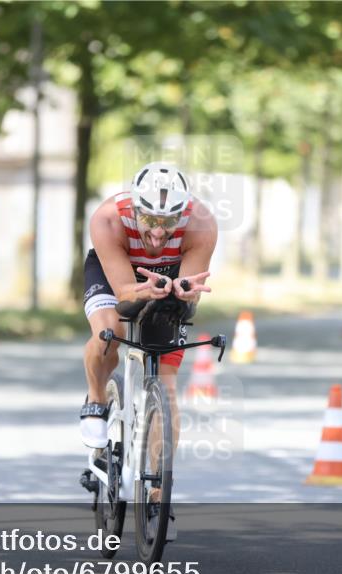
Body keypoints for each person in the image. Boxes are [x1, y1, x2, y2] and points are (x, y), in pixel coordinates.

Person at [80, 162, 218, 533]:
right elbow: (125, 293)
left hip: (167, 277)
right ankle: (96, 398)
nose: (158, 232)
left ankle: (157, 493)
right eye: (150, 221)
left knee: (167, 386)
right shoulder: (108, 218)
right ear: (134, 209)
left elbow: (190, 291)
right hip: (118, 274)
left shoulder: (202, 224)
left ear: (184, 213)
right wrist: (143, 290)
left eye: (169, 222)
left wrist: (183, 293)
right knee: (109, 332)